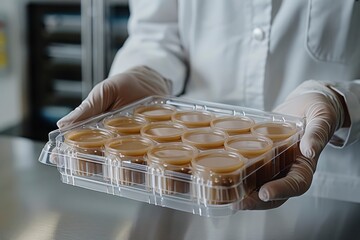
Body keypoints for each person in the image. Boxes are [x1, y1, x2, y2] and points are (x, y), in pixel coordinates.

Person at [57, 0, 360, 210]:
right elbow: (155, 32)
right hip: (184, 174)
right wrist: (146, 71)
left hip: (329, 188)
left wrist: (342, 100)